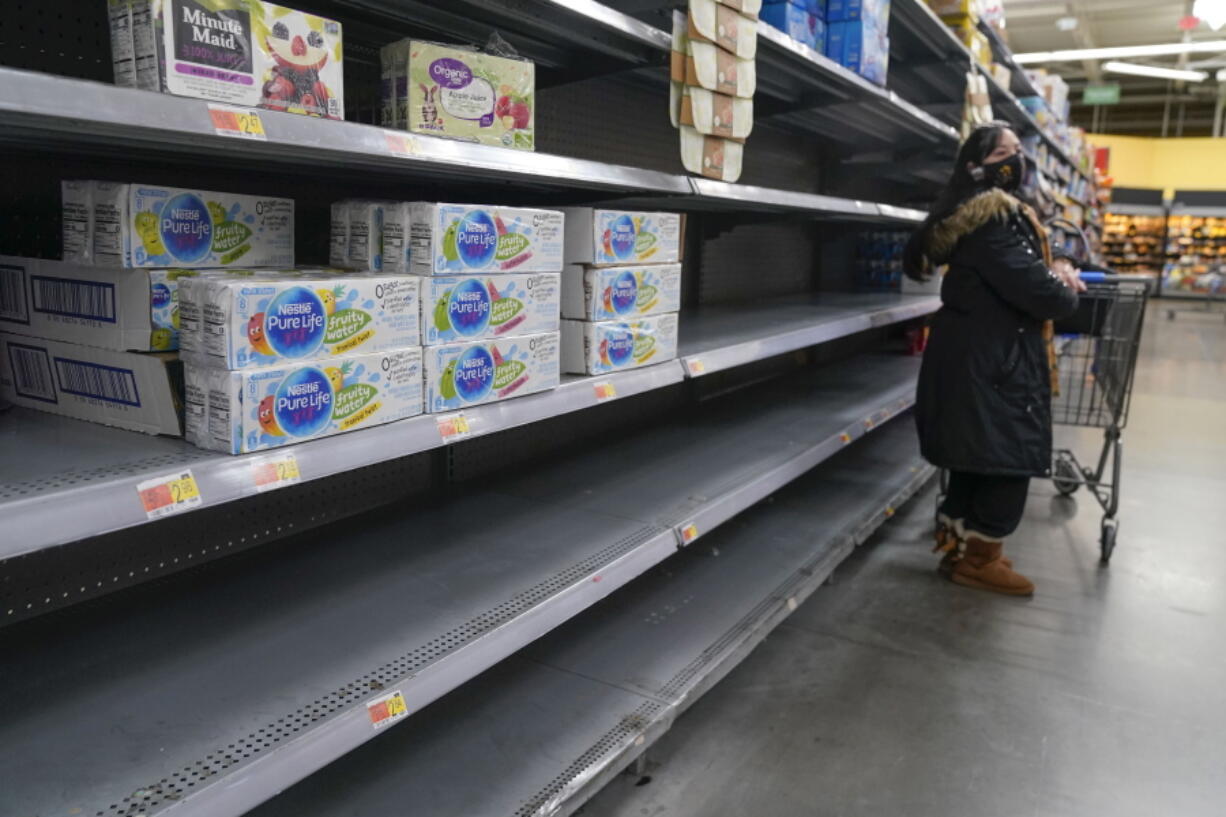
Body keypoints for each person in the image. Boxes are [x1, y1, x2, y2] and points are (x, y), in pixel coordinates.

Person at [903, 122, 1086, 597]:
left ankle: (962, 549)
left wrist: (1059, 263)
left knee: (976, 458)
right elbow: (1041, 294)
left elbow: (1029, 260)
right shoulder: (991, 219)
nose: (1016, 159)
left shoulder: (982, 216)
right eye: (1003, 152)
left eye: (1019, 150)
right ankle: (982, 562)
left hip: (979, 356)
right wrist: (1064, 287)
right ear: (974, 166)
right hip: (996, 362)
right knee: (1006, 459)